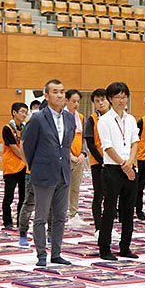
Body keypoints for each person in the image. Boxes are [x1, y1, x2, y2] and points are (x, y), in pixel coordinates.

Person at [22, 79, 75, 266]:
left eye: (62, 91)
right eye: (55, 92)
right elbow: (28, 146)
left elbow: (66, 145)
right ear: (46, 95)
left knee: (60, 216)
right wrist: (35, 165)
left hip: (63, 173)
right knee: (41, 217)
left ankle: (56, 253)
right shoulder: (37, 118)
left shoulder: (70, 118)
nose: (60, 95)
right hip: (43, 173)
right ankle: (41, 255)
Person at [96, 82, 140, 261]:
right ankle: (104, 248)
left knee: (129, 209)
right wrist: (124, 164)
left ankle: (125, 247)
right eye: (117, 97)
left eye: (124, 96)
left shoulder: (130, 119)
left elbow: (135, 142)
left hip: (130, 166)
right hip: (113, 169)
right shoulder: (104, 120)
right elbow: (107, 147)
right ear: (110, 99)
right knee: (109, 209)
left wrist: (130, 163)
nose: (121, 100)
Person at [84, 88, 110, 236]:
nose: (101, 103)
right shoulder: (92, 119)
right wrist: (102, 161)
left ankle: (109, 227)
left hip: (115, 163)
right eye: (97, 101)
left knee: (111, 197)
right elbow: (90, 143)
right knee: (99, 195)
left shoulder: (115, 118)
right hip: (98, 164)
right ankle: (99, 227)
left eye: (103, 100)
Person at [1, 102, 27, 230]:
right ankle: (7, 222)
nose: (24, 114)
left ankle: (20, 222)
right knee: (8, 197)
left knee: (23, 197)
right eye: (22, 112)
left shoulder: (24, 128)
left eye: (26, 112)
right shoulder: (7, 128)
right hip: (11, 167)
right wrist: (27, 159)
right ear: (14, 113)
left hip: (23, 167)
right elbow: (14, 148)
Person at [64, 89, 87, 227]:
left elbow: (84, 137)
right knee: (63, 187)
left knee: (75, 188)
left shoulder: (81, 118)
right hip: (66, 158)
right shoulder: (62, 116)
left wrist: (83, 153)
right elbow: (60, 139)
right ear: (66, 101)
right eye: (73, 101)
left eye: (78, 101)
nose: (76, 104)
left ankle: (73, 213)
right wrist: (70, 155)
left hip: (79, 158)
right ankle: (62, 213)